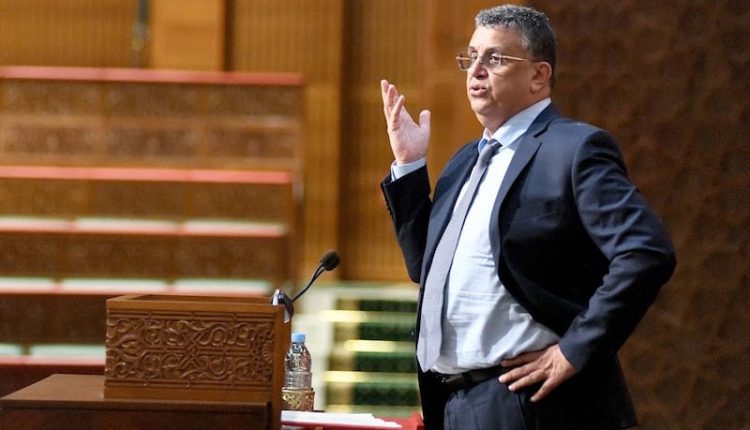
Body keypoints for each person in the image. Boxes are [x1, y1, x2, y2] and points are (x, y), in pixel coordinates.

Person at [379, 4, 676, 430]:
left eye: (495, 58)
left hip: (529, 402)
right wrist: (409, 166)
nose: (475, 70)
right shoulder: (464, 161)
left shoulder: (573, 150)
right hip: (454, 402)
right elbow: (424, 267)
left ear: (539, 76)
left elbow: (646, 251)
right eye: (471, 57)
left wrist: (574, 350)